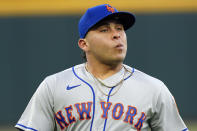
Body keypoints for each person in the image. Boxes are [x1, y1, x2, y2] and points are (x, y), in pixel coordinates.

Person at [15, 4, 188, 131]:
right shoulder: (53, 86)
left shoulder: (154, 89)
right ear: (84, 44)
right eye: (104, 30)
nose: (116, 35)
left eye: (119, 28)